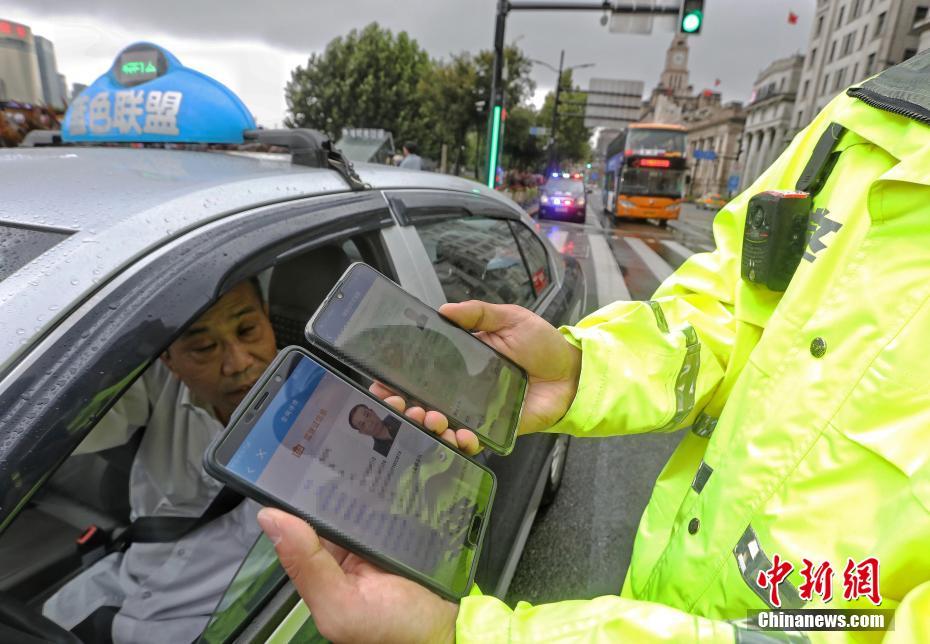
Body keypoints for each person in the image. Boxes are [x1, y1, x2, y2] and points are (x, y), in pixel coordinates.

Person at [254, 54, 930, 642]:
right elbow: (737, 309)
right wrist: (583, 370)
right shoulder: (872, 115)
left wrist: (471, 634)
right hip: (660, 591)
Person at [43, 279, 278, 643]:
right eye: (203, 347)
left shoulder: (322, 418)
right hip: (119, 583)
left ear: (267, 319)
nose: (238, 362)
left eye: (248, 330)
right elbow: (61, 426)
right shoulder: (160, 384)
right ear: (167, 359)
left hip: (209, 626)